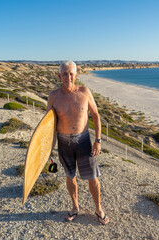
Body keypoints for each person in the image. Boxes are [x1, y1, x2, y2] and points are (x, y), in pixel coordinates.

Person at [47, 60, 109, 225]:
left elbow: (96, 115)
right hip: (63, 142)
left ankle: (98, 208)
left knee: (93, 177)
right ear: (59, 75)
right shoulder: (53, 96)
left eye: (71, 73)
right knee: (70, 176)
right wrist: (47, 149)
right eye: (65, 74)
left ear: (76, 75)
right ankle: (75, 207)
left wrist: (98, 140)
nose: (68, 77)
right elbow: (48, 125)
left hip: (83, 141)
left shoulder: (84, 92)